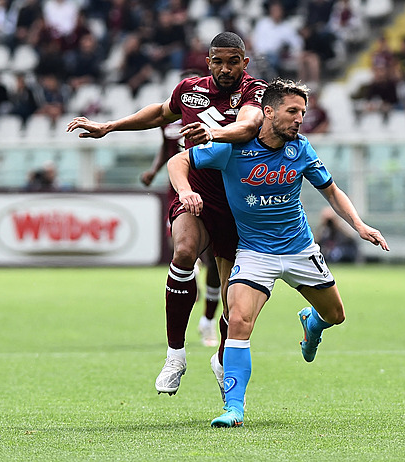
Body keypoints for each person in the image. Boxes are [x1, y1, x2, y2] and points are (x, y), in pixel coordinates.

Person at [167, 78, 390, 428]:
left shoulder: (301, 149)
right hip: (255, 253)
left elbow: (331, 191)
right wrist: (184, 192)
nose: (300, 118)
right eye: (292, 111)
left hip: (300, 249)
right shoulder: (232, 147)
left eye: (302, 112)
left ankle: (312, 323)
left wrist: (359, 225)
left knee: (336, 315)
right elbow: (179, 162)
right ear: (268, 112)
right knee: (239, 323)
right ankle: (233, 408)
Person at [67, 32, 267, 399]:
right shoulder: (190, 89)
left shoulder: (256, 92)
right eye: (218, 61)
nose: (225, 69)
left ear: (244, 62)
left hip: (241, 201)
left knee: (233, 299)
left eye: (233, 61)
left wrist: (214, 132)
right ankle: (175, 355)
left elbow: (250, 125)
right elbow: (160, 113)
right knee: (184, 251)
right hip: (195, 190)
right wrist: (109, 126)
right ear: (208, 62)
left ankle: (223, 359)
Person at [140, 109, 221, 348]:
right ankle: (190, 272)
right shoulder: (169, 124)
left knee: (215, 262)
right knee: (179, 247)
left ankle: (208, 320)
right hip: (179, 192)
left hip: (212, 192)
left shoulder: (216, 120)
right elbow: (166, 149)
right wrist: (154, 171)